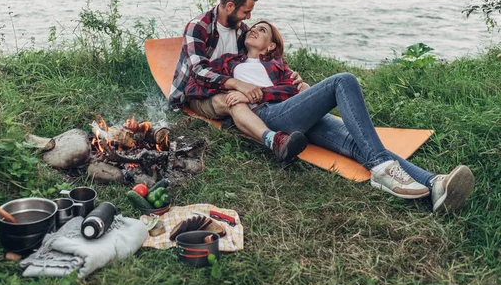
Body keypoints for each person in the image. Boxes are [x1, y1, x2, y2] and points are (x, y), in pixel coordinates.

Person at [185, 20, 475, 212]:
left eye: (262, 30)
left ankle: (435, 185)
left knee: (360, 143)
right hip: (270, 117)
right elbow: (198, 84)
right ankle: (384, 171)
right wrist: (240, 91)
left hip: (293, 112)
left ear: (271, 46)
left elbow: (295, 88)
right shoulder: (229, 63)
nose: (254, 30)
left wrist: (262, 91)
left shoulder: (279, 66)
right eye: (254, 28)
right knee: (343, 80)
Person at [170, 0, 308, 163]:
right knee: (231, 100)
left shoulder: (242, 31)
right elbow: (199, 72)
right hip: (201, 93)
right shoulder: (199, 26)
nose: (249, 17)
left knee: (235, 97)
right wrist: (237, 84)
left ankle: (241, 120)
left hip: (234, 92)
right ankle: (273, 141)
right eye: (246, 11)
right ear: (229, 6)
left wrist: (291, 75)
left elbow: (260, 57)